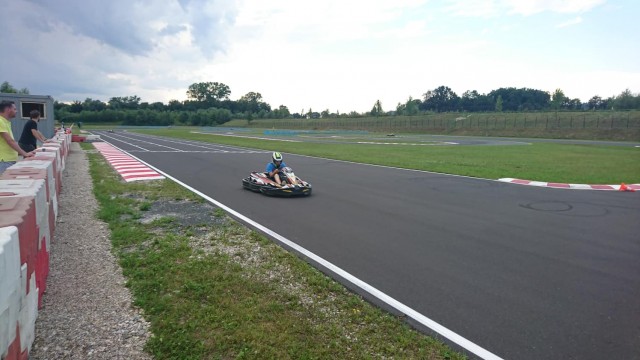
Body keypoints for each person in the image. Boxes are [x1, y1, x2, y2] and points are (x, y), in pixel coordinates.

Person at [0, 100, 35, 174]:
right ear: (8, 109)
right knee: (6, 183)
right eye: (15, 109)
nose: (17, 111)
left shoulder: (5, 122)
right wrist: (24, 153)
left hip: (8, 160)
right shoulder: (0, 121)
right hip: (4, 160)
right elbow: (10, 141)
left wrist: (19, 152)